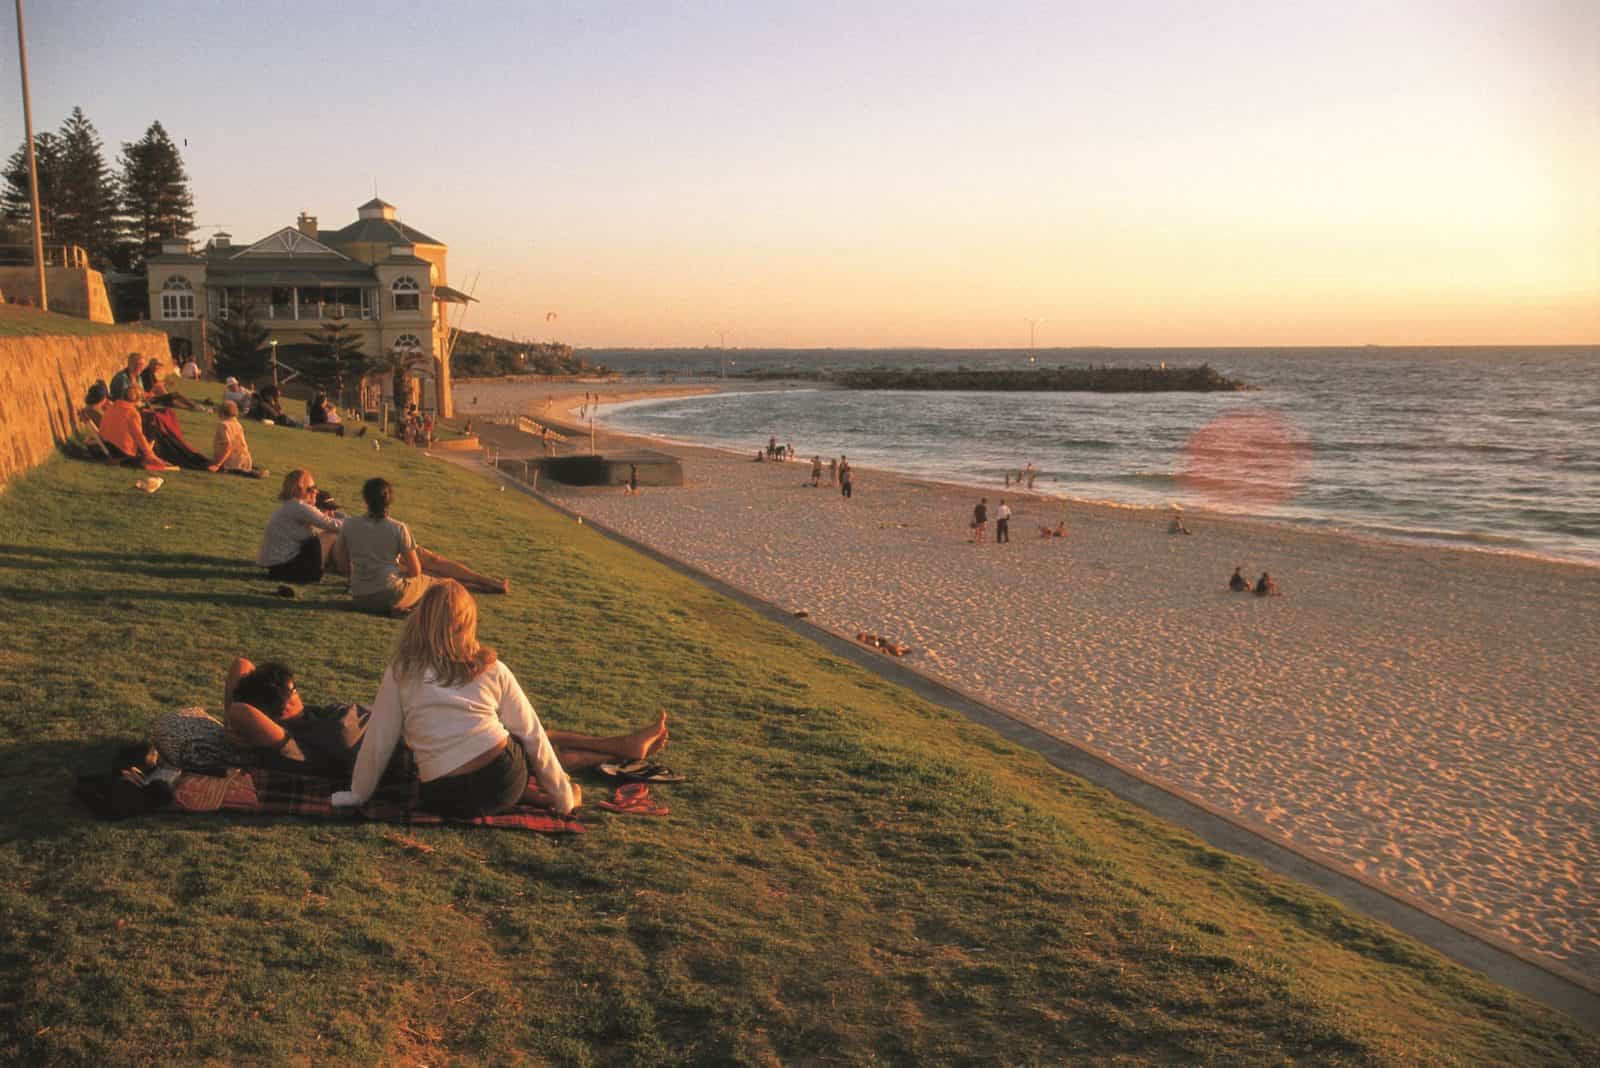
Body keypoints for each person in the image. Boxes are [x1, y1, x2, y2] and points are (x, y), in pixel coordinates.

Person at [334, 581, 671, 818]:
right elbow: (533, 736)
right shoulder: (492, 668)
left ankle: (617, 750)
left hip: (443, 797)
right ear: (467, 623)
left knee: (504, 739)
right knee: (521, 740)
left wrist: (358, 794)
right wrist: (564, 798)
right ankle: (600, 762)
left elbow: (379, 738)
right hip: (501, 782)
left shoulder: (402, 669)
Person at [334, 477, 509, 615]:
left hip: (360, 597)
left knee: (430, 578)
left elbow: (341, 563)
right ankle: (482, 586)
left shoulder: (349, 524)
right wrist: (396, 574)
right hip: (391, 594)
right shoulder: (398, 528)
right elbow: (415, 571)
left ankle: (483, 585)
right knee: (437, 584)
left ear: (366, 500)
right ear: (389, 500)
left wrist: (360, 577)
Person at [258, 469, 344, 584]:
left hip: (277, 569)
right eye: (313, 488)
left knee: (329, 535)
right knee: (333, 534)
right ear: (301, 488)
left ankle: (346, 571)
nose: (316, 492)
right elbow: (332, 524)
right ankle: (352, 574)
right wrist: (359, 523)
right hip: (288, 569)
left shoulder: (289, 506)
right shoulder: (300, 506)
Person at [98, 385, 177, 471]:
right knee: (152, 432)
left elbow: (102, 430)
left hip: (107, 446)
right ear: (137, 400)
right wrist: (151, 455)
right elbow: (139, 436)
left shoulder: (111, 407)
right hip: (123, 451)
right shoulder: (132, 413)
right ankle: (150, 458)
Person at [210, 400, 267, 477]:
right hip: (245, 461)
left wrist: (217, 465)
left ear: (222, 412)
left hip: (232, 462)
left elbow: (227, 446)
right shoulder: (238, 425)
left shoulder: (223, 425)